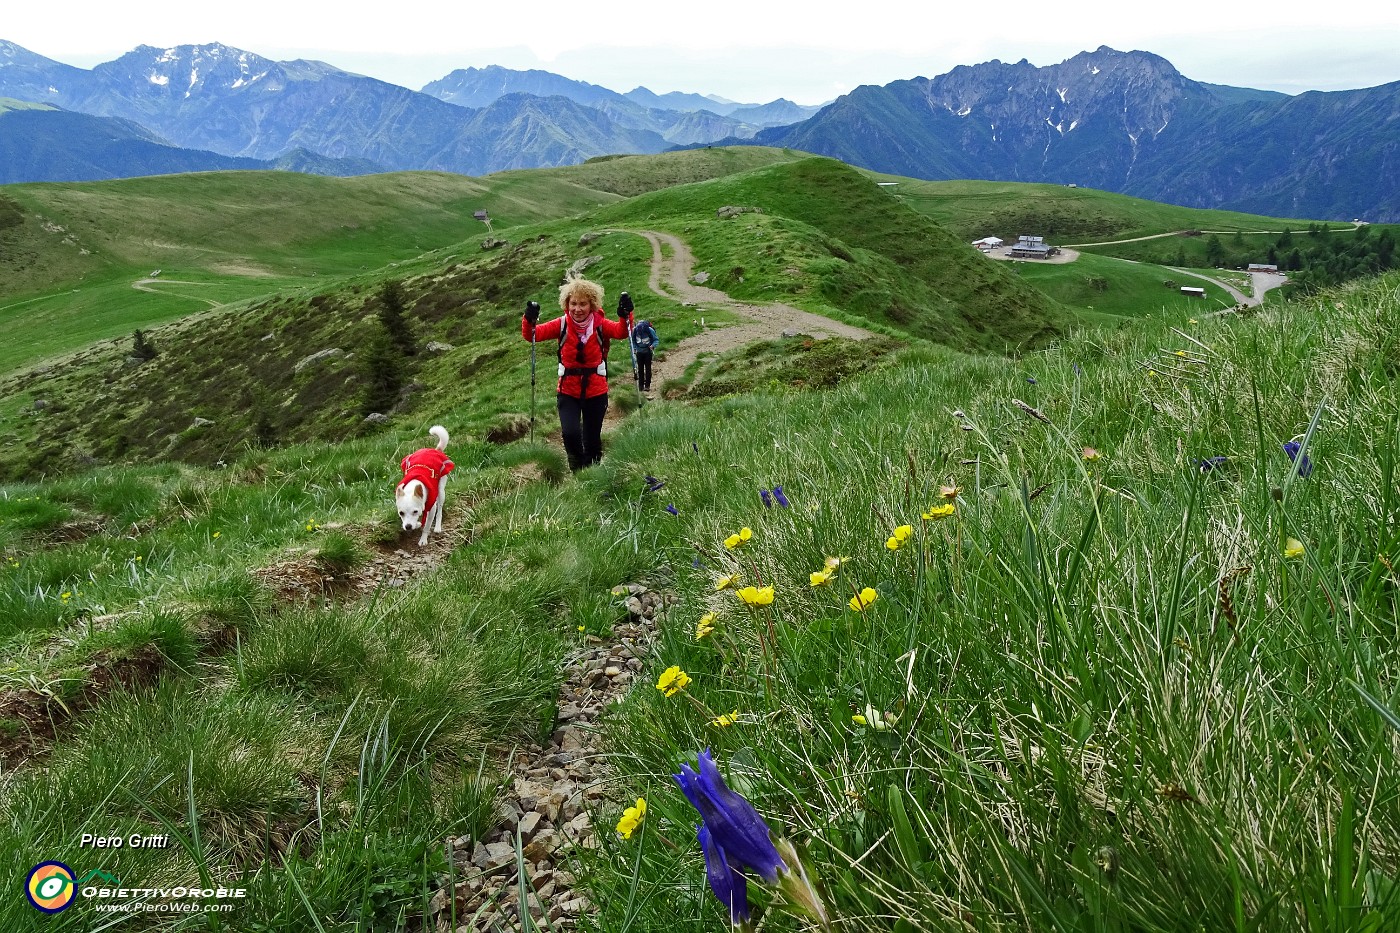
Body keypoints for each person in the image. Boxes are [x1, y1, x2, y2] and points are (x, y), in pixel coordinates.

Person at [522, 276, 630, 472]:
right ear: (566, 304)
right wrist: (528, 319)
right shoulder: (561, 324)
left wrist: (625, 315)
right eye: (573, 303)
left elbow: (622, 332)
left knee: (592, 438)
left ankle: (593, 475)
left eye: (583, 304)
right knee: (570, 433)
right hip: (568, 390)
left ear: (592, 305)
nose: (577, 309)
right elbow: (532, 335)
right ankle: (578, 470)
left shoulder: (601, 324)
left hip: (596, 391)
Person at [631, 317, 660, 392]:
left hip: (648, 352)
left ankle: (647, 386)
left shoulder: (650, 330)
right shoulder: (635, 330)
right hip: (639, 352)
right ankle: (640, 386)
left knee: (648, 368)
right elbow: (633, 341)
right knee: (640, 369)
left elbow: (656, 340)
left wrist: (652, 346)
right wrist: (635, 348)